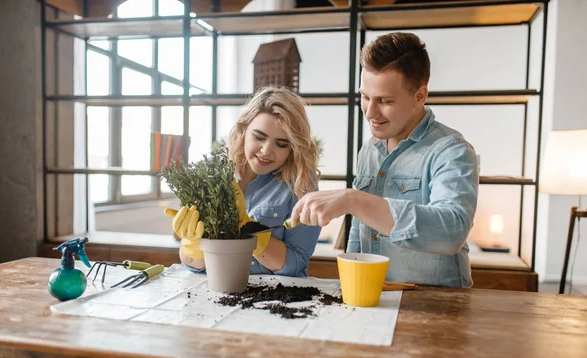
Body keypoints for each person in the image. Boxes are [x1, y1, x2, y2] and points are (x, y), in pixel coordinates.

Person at [291, 32, 479, 288]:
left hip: (436, 303)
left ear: (419, 96)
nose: (369, 112)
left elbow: (451, 232)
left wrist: (353, 200)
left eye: (384, 101)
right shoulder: (369, 150)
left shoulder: (452, 151)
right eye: (365, 97)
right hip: (374, 295)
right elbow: (360, 227)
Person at [168, 86, 322, 277]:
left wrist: (250, 231)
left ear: (293, 147)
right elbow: (196, 266)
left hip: (275, 297)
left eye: (281, 144)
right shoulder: (212, 175)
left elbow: (296, 263)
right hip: (216, 292)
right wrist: (192, 245)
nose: (266, 150)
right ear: (243, 129)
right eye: (259, 137)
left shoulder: (301, 183)